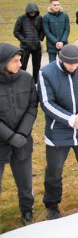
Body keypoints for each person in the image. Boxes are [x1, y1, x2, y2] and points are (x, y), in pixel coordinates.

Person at [38, 44, 78, 219]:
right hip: (58, 132)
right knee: (54, 170)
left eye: (76, 64)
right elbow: (47, 103)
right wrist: (70, 119)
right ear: (60, 59)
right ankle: (52, 204)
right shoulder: (46, 73)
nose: (73, 67)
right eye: (69, 64)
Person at [0, 43, 38, 226]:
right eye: (15, 61)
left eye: (20, 60)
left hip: (23, 140)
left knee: (25, 182)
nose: (20, 64)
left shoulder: (26, 79)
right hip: (1, 142)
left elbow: (32, 106)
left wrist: (22, 133)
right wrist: (9, 136)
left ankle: (27, 211)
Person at [13, 3, 44, 76]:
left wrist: (39, 39)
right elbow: (16, 32)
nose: (32, 13)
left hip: (37, 46)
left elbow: (42, 30)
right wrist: (23, 40)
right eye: (31, 12)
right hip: (25, 47)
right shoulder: (21, 18)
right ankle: (21, 80)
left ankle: (36, 82)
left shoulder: (39, 18)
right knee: (22, 65)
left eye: (34, 12)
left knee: (37, 66)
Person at [43, 0, 70, 64]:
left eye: (58, 5)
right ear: (50, 6)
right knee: (52, 65)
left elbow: (67, 29)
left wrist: (62, 41)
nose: (57, 6)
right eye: (54, 5)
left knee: (64, 64)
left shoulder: (65, 16)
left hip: (63, 45)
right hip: (51, 45)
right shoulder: (46, 17)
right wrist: (56, 42)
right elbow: (46, 31)